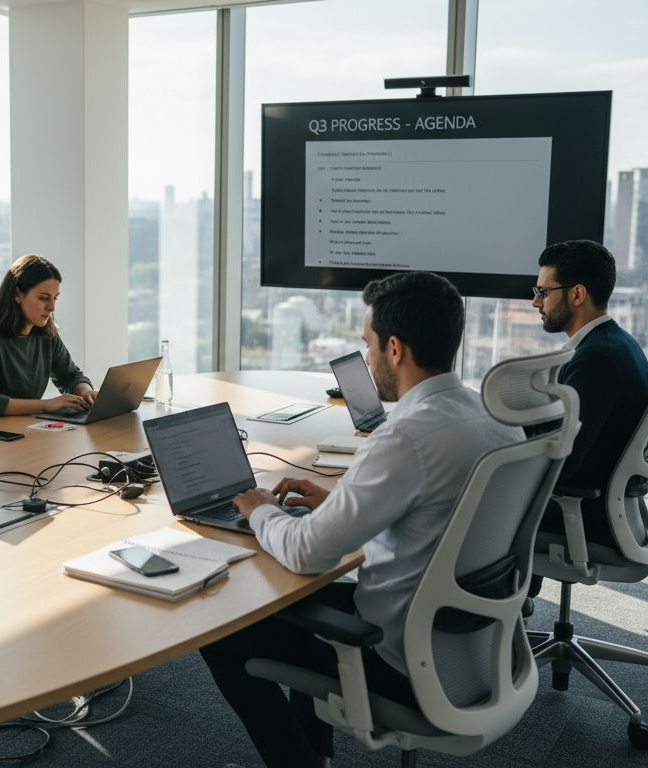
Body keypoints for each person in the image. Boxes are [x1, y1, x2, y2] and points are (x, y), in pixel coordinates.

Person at [198, 271, 522, 768]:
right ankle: (317, 753)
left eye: (368, 345)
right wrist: (337, 500)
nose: (366, 359)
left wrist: (259, 508)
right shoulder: (496, 418)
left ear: (395, 349)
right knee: (296, 598)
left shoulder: (407, 436)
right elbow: (438, 513)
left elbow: (307, 554)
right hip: (468, 643)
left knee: (223, 631)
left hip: (398, 653)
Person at [530, 239, 648, 547]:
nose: (535, 303)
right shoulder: (617, 342)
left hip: (587, 512)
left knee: (470, 501)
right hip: (608, 499)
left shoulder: (596, 359)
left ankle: (511, 595)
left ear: (577, 294)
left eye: (543, 293)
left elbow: (566, 462)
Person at [0, 254, 97, 416]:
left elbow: (70, 375)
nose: (51, 307)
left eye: (55, 298)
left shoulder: (46, 333)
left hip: (22, 425)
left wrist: (86, 392)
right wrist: (46, 405)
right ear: (17, 295)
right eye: (44, 298)